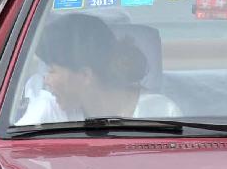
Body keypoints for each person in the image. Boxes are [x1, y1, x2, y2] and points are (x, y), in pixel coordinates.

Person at [17, 13, 180, 124]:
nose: (46, 80)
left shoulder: (160, 113)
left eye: (52, 70)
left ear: (85, 75)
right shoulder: (51, 111)